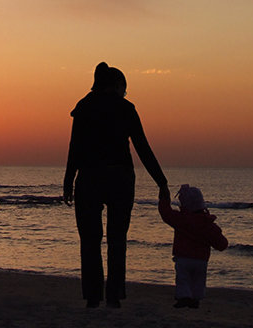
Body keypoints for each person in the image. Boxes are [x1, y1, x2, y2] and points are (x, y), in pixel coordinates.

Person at [63, 62, 169, 308]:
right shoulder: (125, 108)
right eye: (124, 88)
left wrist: (68, 180)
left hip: (88, 177)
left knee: (89, 240)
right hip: (119, 177)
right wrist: (161, 181)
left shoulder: (84, 107)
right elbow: (142, 146)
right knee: (117, 239)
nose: (124, 93)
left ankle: (92, 297)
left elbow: (74, 148)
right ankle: (113, 296)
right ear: (116, 85)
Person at [157, 183, 229, 309]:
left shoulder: (181, 219)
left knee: (183, 278)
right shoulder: (208, 224)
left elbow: (166, 214)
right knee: (199, 280)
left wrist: (164, 198)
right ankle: (196, 299)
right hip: (201, 259)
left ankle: (184, 297)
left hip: (183, 257)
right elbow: (221, 243)